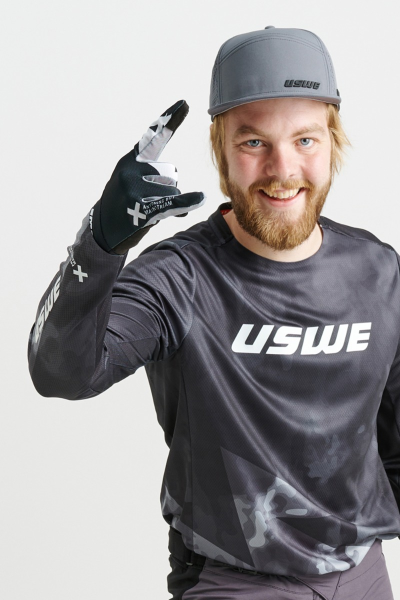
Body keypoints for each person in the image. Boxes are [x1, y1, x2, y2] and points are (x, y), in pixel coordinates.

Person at [28, 26, 399, 600]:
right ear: (221, 150)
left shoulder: (378, 270)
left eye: (305, 140)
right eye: (253, 143)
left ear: (333, 143)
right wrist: (98, 243)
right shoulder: (178, 278)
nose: (282, 168)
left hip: (363, 574)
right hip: (233, 580)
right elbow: (62, 374)